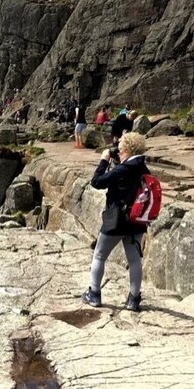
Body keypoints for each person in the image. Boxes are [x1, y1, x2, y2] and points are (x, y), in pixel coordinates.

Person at [82, 132, 151, 312]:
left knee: (99, 256)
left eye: (120, 149)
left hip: (116, 221)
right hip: (136, 221)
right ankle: (133, 300)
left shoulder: (122, 169)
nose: (118, 152)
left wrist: (104, 161)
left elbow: (97, 181)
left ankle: (94, 294)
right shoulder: (143, 168)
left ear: (128, 149)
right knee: (134, 260)